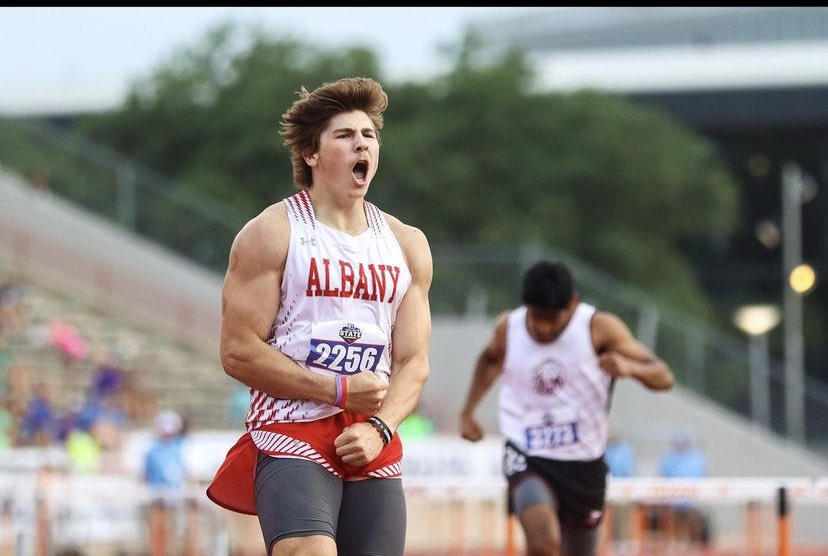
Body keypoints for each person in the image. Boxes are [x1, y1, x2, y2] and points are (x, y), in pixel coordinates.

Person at [206, 76, 433, 556]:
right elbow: (237, 350)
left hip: (371, 438)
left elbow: (414, 363)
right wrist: (334, 388)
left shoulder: (406, 244)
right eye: (345, 135)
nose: (362, 144)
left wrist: (381, 427)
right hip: (292, 428)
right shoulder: (272, 233)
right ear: (312, 154)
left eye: (369, 135)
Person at [459, 260, 674, 556]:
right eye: (536, 317)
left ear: (572, 304)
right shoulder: (509, 328)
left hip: (582, 461)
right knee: (543, 544)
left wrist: (630, 367)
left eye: (552, 318)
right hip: (527, 451)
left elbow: (664, 378)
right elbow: (490, 360)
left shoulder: (599, 328)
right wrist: (468, 411)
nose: (544, 327)